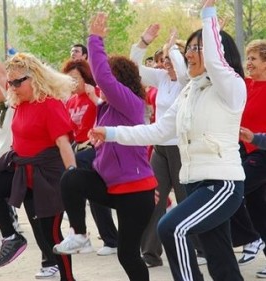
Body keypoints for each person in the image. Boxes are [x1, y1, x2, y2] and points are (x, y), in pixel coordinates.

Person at [89, 1, 246, 280]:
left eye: (198, 48)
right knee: (219, 256)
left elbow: (216, 63)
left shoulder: (230, 87)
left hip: (222, 185)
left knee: (172, 227)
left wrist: (207, 15)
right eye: (189, 49)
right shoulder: (188, 92)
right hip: (196, 182)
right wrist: (111, 133)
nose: (190, 55)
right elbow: (157, 130)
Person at [53, 12, 157, 281]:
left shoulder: (131, 102)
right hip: (114, 187)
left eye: (109, 77)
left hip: (135, 194)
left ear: (118, 80)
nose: (102, 82)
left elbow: (101, 77)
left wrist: (95, 40)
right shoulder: (109, 108)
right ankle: (79, 235)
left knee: (128, 255)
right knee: (72, 178)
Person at [0, 51, 77, 281]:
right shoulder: (19, 101)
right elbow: (1, 77)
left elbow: (64, 144)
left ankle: (68, 278)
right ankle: (12, 237)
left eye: (19, 81)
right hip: (22, 170)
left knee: (51, 237)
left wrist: (72, 178)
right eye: (11, 82)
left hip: (47, 177)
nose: (13, 86)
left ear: (35, 78)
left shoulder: (50, 104)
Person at [130, 25, 189, 268]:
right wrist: (143, 42)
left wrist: (172, 47)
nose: (165, 64)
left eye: (169, 59)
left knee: (187, 199)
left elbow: (181, 67)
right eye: (163, 60)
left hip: (182, 148)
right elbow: (134, 67)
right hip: (160, 147)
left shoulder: (188, 80)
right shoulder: (162, 78)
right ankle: (150, 253)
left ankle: (199, 247)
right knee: (154, 198)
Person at [61, 58, 118, 256]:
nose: (72, 83)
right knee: (92, 195)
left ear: (85, 78)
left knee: (72, 173)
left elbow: (107, 112)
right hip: (80, 148)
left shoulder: (94, 94)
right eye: (69, 80)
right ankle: (95, 237)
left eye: (75, 79)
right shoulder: (70, 101)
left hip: (97, 149)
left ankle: (101, 238)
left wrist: (93, 95)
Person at [229, 38, 266, 276]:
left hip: (262, 153)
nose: (248, 63)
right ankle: (253, 238)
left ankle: (248, 238)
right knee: (258, 209)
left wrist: (255, 138)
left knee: (233, 190)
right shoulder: (246, 85)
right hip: (245, 151)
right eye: (247, 58)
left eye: (253, 59)